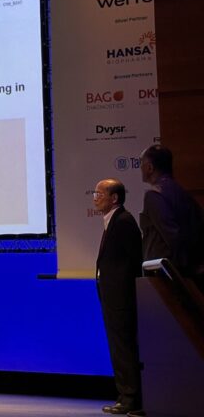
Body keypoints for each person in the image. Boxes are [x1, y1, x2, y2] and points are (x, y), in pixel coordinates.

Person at [94, 178, 143, 415]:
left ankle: (130, 398)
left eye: (100, 194)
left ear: (114, 198)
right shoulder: (112, 220)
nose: (95, 198)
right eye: (94, 194)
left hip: (121, 298)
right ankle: (125, 396)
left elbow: (133, 260)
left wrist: (123, 292)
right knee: (118, 348)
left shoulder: (123, 221)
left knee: (124, 349)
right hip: (112, 297)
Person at [139, 144, 204, 285]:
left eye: (141, 163)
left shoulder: (154, 195)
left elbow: (172, 235)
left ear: (150, 167)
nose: (140, 168)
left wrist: (180, 272)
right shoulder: (182, 193)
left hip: (165, 274)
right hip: (184, 272)